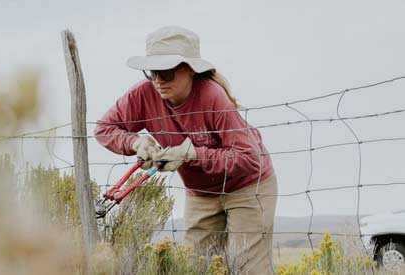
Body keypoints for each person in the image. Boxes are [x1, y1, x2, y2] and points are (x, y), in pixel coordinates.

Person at [94, 26, 277, 275]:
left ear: (190, 70)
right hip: (201, 192)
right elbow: (104, 128)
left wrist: (193, 154)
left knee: (249, 269)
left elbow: (249, 159)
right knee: (194, 267)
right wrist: (135, 143)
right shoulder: (143, 94)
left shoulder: (213, 97)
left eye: (167, 72)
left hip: (247, 187)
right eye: (152, 72)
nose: (158, 80)